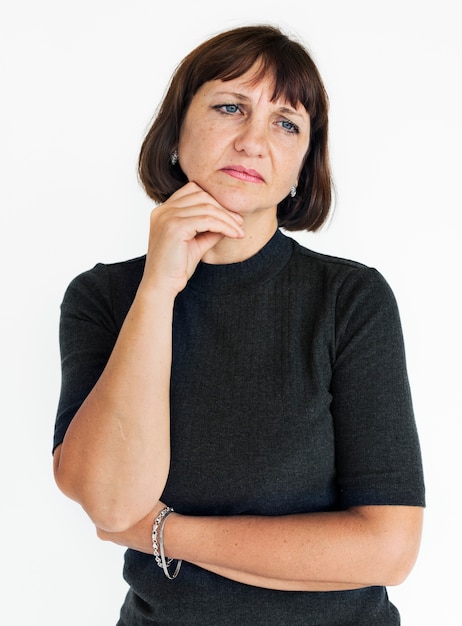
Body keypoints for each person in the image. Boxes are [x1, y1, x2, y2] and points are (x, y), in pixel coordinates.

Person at [52, 24, 425, 625]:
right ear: (175, 133)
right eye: (230, 107)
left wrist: (163, 532)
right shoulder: (105, 297)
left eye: (286, 123)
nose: (254, 141)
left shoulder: (350, 298)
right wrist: (159, 287)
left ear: (302, 163)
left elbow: (387, 549)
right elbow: (111, 500)